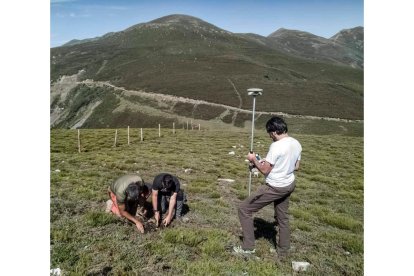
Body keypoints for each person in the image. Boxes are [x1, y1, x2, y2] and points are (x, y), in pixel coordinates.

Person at [233, 116, 302, 260]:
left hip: (275, 187)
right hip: (289, 184)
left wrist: (254, 160)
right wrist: (272, 163)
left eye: (270, 133)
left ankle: (248, 247)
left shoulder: (276, 146)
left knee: (244, 209)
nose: (270, 136)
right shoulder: (296, 143)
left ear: (275, 131)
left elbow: (264, 171)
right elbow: (296, 166)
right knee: (282, 217)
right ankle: (283, 250)